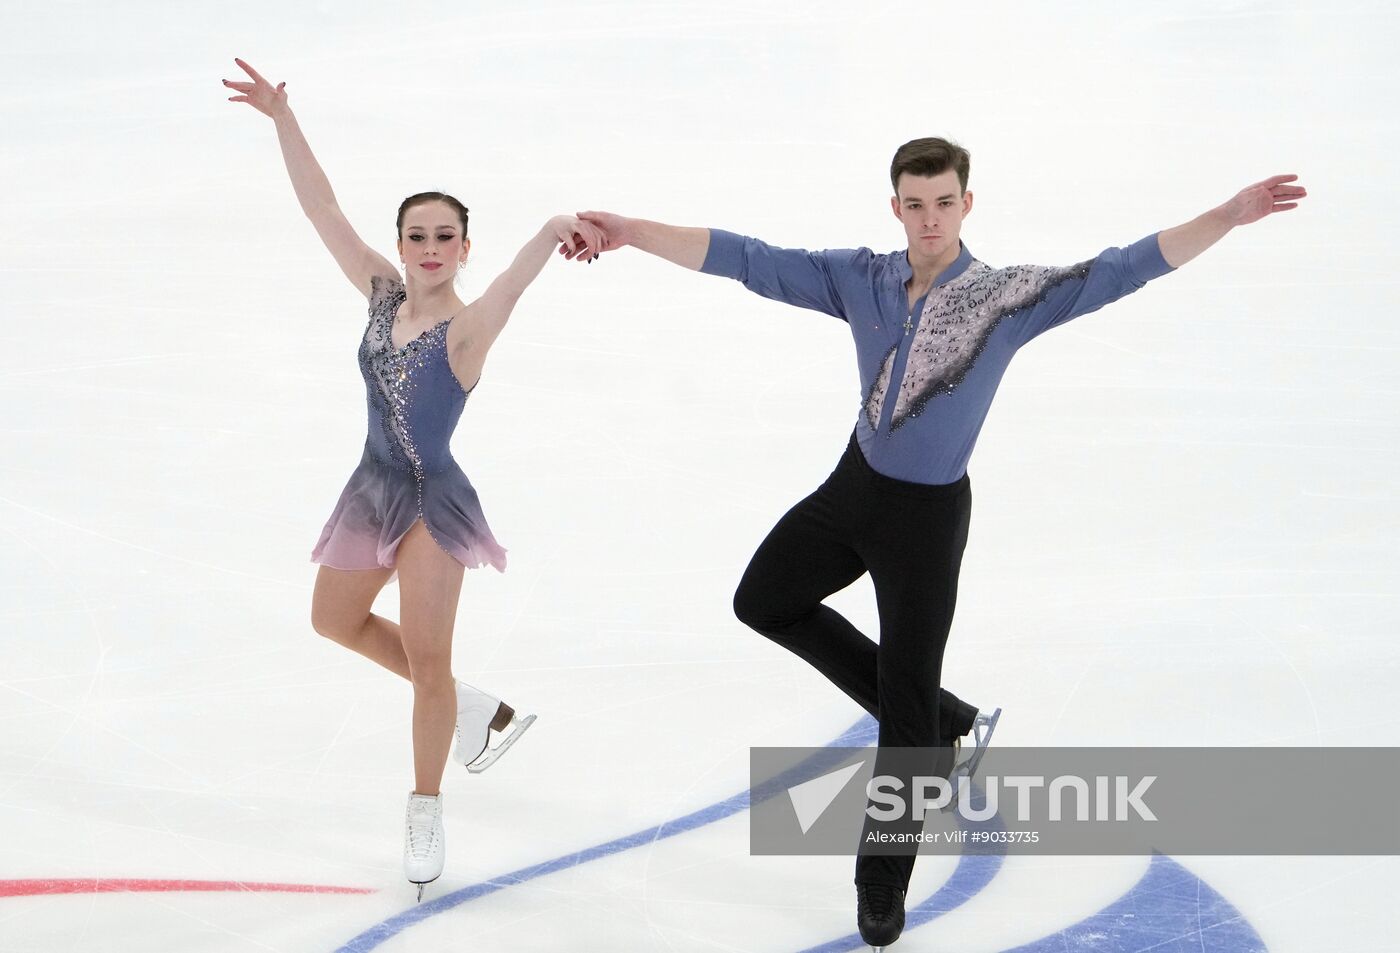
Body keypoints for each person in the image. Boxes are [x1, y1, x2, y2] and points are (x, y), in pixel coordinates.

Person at [576, 138, 1305, 950]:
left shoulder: (1001, 298)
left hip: (926, 523)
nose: (929, 219)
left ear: (967, 204)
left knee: (905, 721)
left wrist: (1228, 216)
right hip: (852, 489)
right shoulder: (861, 277)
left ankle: (880, 883)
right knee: (765, 600)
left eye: (944, 203)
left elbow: (1118, 269)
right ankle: (938, 719)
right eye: (915, 204)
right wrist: (632, 231)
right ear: (896, 208)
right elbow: (748, 258)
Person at [222, 57, 604, 901]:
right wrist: (284, 118)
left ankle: (426, 804)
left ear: (466, 246)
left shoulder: (466, 331)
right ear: (401, 245)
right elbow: (322, 210)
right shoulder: (381, 295)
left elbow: (514, 287)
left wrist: (549, 229)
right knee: (333, 619)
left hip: (431, 502)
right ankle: (476, 707)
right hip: (372, 486)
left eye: (446, 237)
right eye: (416, 236)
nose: (430, 249)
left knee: (429, 660)